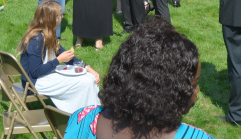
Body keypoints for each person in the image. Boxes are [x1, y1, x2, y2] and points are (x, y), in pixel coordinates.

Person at [64, 16, 211, 139]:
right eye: (193, 84)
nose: (196, 91)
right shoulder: (197, 137)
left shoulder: (83, 119)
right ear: (167, 91)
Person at [18, 0, 101, 114]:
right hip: (34, 83)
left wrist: (87, 68)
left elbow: (67, 56)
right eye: (60, 14)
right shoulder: (36, 39)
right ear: (53, 19)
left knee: (89, 77)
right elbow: (35, 72)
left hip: (45, 76)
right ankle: (83, 116)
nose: (62, 17)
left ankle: (92, 114)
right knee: (85, 82)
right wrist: (59, 60)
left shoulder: (49, 34)